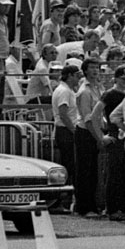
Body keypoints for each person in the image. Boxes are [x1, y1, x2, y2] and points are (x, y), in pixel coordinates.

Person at [91, 65, 125, 221]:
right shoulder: (110, 94)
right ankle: (112, 208)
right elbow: (94, 115)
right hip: (115, 135)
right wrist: (101, 136)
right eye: (123, 79)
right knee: (114, 174)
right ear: (116, 79)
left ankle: (121, 207)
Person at [74, 57, 107, 217]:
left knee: (94, 171)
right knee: (85, 171)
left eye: (97, 67)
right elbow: (87, 118)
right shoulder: (84, 91)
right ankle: (84, 207)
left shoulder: (98, 88)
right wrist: (98, 138)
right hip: (86, 133)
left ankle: (93, 205)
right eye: (92, 68)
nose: (95, 71)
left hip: (96, 129)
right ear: (85, 70)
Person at [51, 64, 80, 213]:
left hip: (65, 130)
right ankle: (63, 201)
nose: (79, 78)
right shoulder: (64, 91)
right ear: (69, 76)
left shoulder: (67, 90)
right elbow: (63, 113)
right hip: (65, 131)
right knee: (69, 165)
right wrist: (74, 130)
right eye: (76, 75)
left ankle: (66, 201)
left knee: (70, 165)